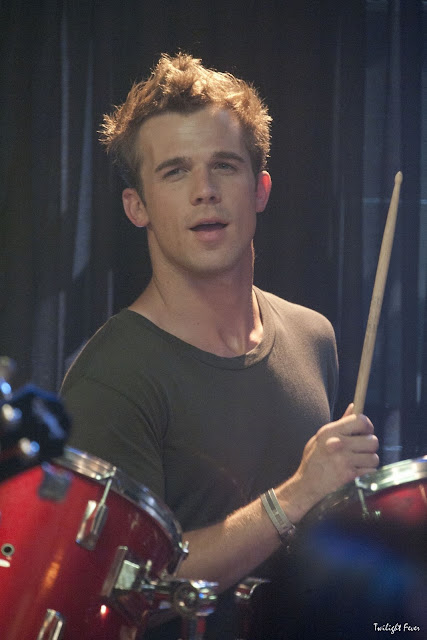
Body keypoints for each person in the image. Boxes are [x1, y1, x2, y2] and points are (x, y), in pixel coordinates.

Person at [61, 53, 379, 638]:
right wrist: (297, 495)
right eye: (174, 172)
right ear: (137, 206)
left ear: (260, 189)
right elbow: (120, 591)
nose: (204, 191)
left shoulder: (313, 336)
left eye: (224, 167)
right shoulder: (111, 376)